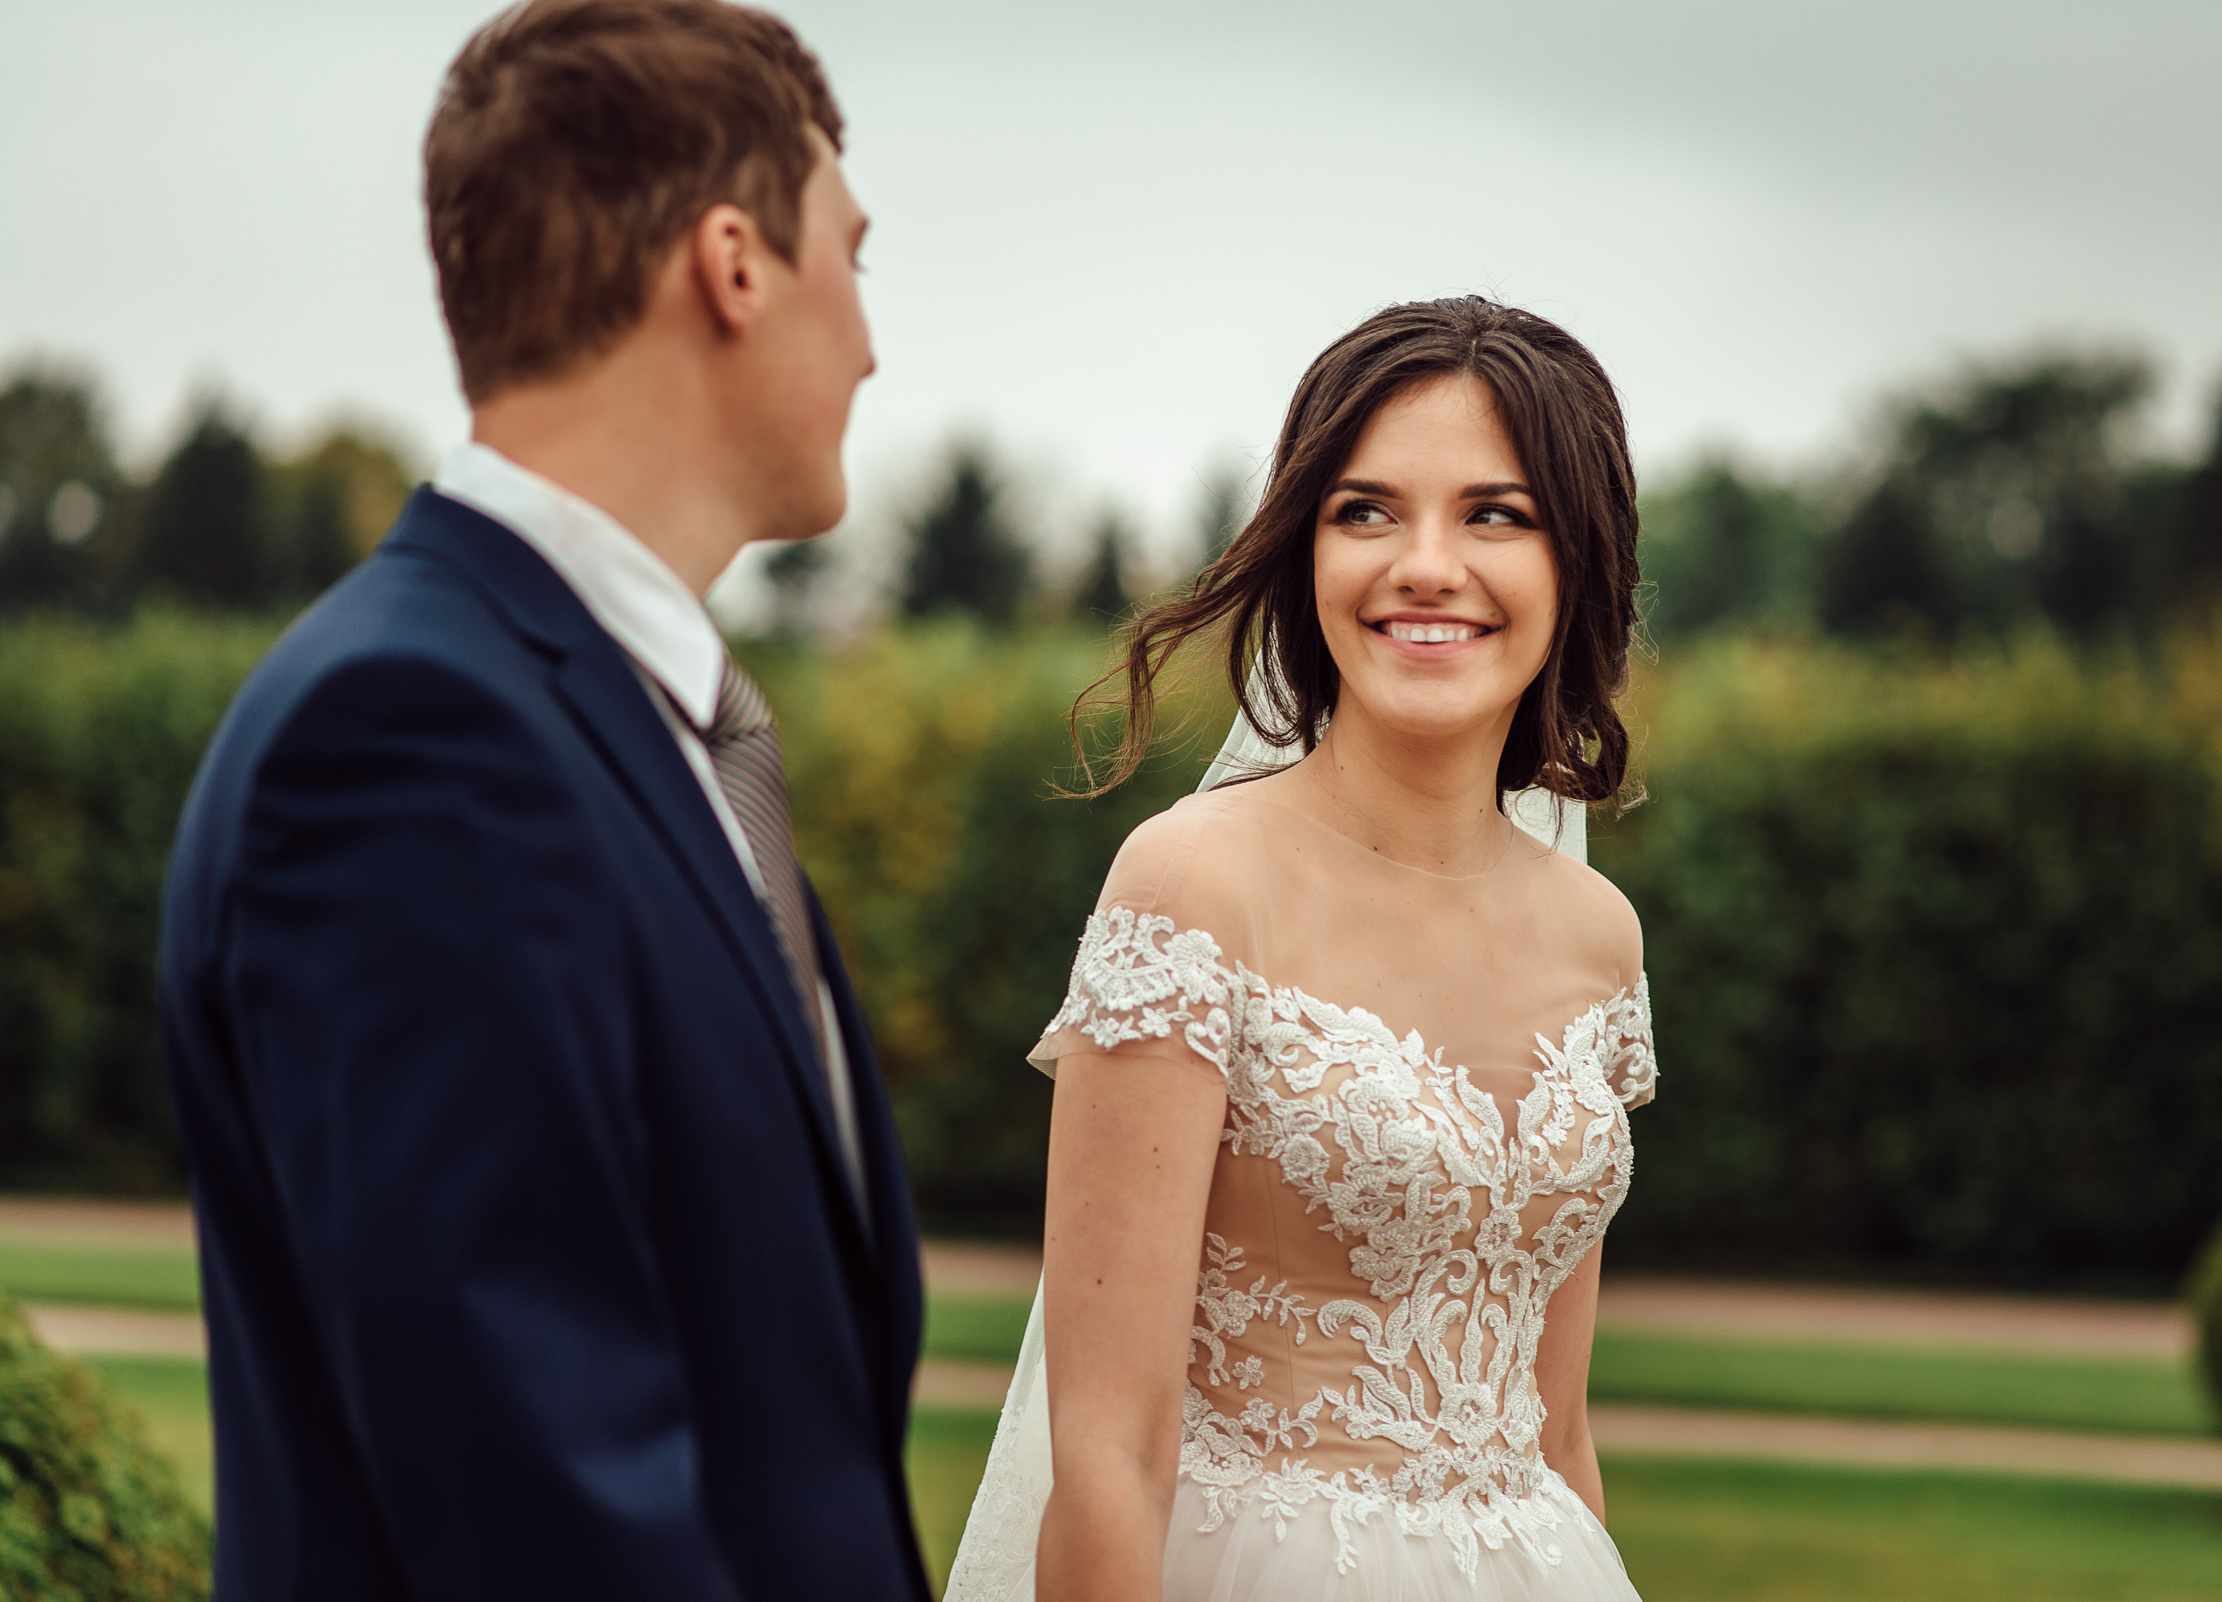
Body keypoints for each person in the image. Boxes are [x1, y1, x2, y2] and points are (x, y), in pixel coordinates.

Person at [155, 3, 930, 1597]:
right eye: (853, 252)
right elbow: (538, 1492)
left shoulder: (636, 719)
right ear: (734, 263)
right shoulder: (408, 740)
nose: (872, 336)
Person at [946, 297, 1654, 1602]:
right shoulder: (1195, 882)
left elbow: (1558, 1431)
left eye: (1495, 513)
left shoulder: (1599, 935)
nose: (1425, 564)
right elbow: (1106, 1451)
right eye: (1365, 510)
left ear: (1580, 560)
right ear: (1304, 552)